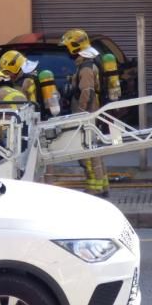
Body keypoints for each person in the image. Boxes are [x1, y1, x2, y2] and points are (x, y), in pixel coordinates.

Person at [59, 29, 110, 197]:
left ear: (75, 47)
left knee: (87, 151)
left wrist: (80, 114)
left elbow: (86, 92)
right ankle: (102, 184)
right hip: (90, 113)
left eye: (67, 48)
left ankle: (95, 187)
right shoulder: (85, 64)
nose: (67, 52)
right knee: (94, 150)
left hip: (86, 114)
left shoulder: (86, 68)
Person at [0, 49, 61, 118]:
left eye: (8, 72)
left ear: (15, 68)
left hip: (35, 122)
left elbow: (31, 107)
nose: (7, 75)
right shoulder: (34, 74)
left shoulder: (26, 82)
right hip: (44, 117)